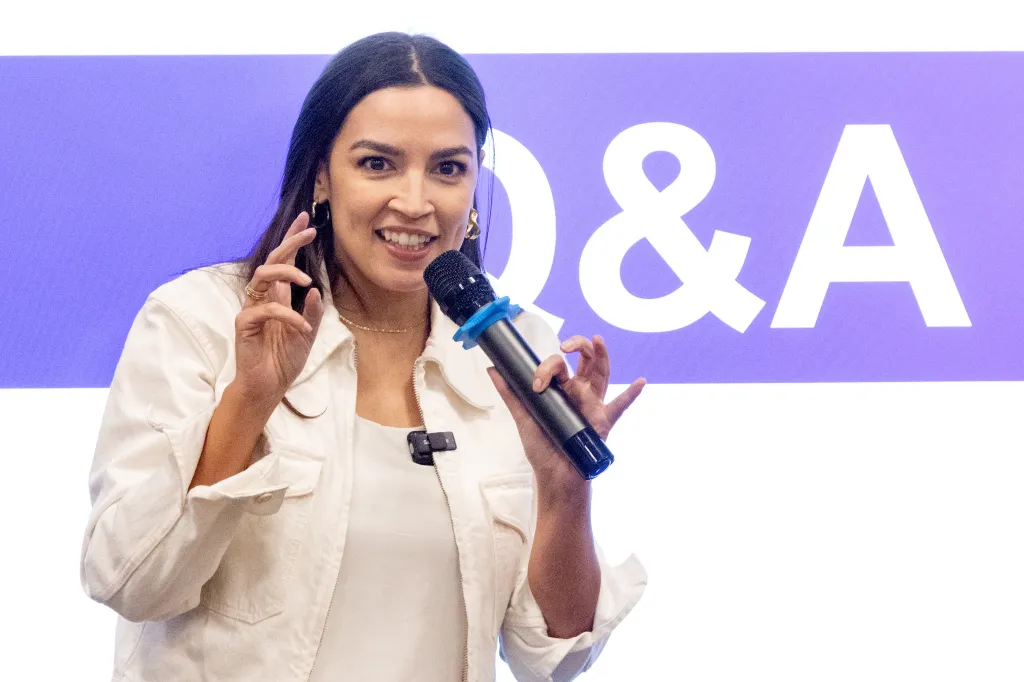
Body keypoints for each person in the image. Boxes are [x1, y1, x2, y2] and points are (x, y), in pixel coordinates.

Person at [80, 31, 647, 682]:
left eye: (448, 168)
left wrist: (563, 489)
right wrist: (248, 401)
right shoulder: (202, 320)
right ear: (322, 175)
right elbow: (128, 579)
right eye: (378, 164)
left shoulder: (518, 351)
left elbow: (554, 655)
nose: (415, 201)